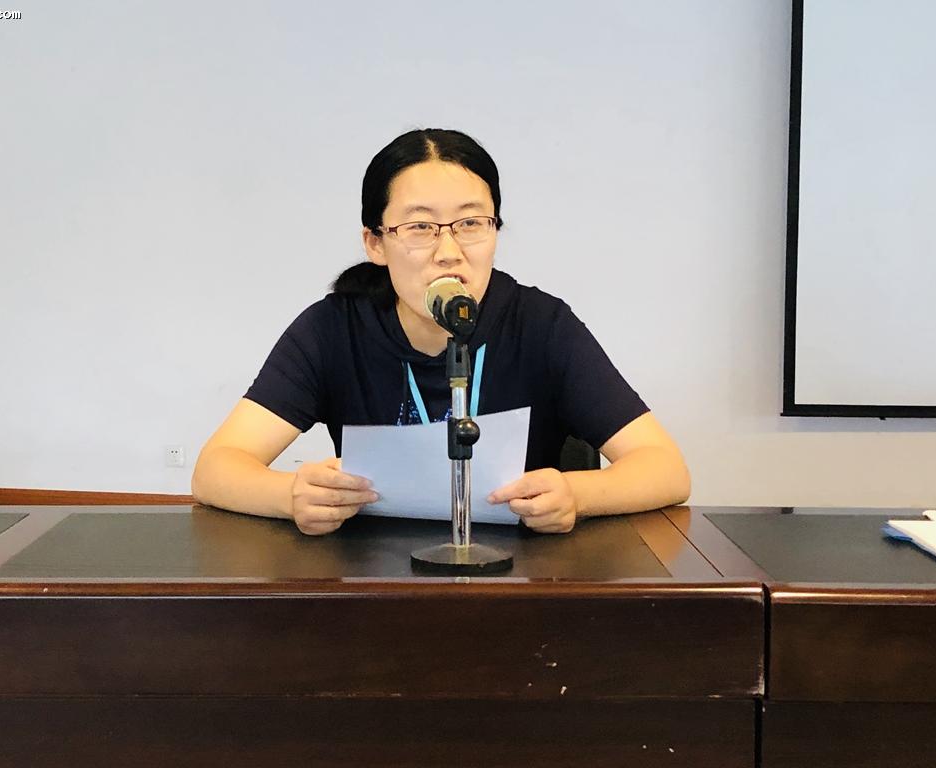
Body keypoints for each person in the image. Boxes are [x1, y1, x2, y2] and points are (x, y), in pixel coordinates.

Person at [192, 128, 690, 535]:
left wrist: (576, 495)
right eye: (420, 228)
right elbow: (216, 468)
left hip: (518, 579)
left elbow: (666, 469)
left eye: (471, 223)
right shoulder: (333, 330)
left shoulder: (541, 324)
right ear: (375, 243)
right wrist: (290, 495)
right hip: (371, 580)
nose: (449, 252)